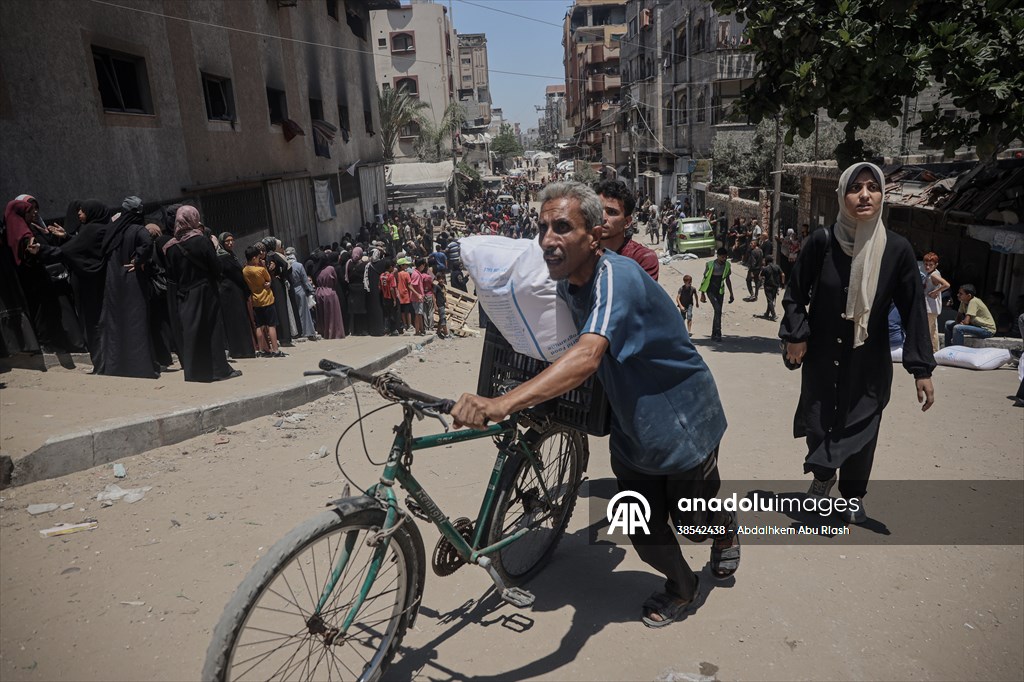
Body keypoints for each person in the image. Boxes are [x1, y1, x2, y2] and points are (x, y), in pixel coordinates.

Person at [451, 182, 738, 628]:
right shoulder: (566, 284)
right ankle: (683, 586)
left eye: (562, 227)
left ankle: (724, 533)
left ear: (596, 235)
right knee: (642, 528)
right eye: (543, 227)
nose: (548, 239)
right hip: (631, 426)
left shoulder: (616, 277)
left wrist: (500, 404)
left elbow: (585, 357)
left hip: (681, 419)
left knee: (693, 517)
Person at [781, 162, 936, 524]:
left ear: (882, 194)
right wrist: (795, 336)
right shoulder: (821, 241)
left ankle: (851, 496)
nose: (864, 194)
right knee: (819, 424)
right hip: (822, 354)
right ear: (842, 196)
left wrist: (921, 369)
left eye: (872, 187)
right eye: (855, 187)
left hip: (869, 359)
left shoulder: (896, 250)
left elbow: (914, 310)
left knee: (863, 428)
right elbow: (795, 293)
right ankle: (822, 479)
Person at [163, 208, 239, 382]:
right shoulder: (201, 241)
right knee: (213, 330)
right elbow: (217, 268)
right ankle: (219, 370)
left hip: (184, 294)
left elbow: (171, 275)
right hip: (206, 292)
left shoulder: (170, 247)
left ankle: (194, 372)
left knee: (191, 332)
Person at [96, 196, 159, 378]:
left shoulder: (113, 229)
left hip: (113, 281)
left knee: (116, 322)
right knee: (136, 322)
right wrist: (139, 260)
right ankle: (139, 367)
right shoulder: (138, 230)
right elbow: (147, 243)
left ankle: (116, 367)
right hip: (132, 280)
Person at [594, 180, 659, 280]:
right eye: (597, 209)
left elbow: (634, 295)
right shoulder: (583, 253)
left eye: (611, 212)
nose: (602, 217)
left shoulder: (642, 258)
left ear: (627, 222)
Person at [215, 233, 257, 358]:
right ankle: (242, 351)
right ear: (222, 242)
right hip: (230, 292)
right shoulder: (223, 257)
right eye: (227, 241)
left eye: (232, 240)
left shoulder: (230, 255)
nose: (230, 243)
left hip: (233, 291)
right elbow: (236, 275)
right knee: (237, 321)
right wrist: (246, 289)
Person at [243, 244, 284, 356]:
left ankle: (261, 350)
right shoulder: (260, 270)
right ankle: (275, 349)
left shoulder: (245, 270)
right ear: (254, 258)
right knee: (271, 325)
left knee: (259, 326)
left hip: (256, 300)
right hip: (267, 299)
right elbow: (268, 279)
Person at [698, 248, 735, 342]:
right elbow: (705, 279)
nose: (724, 259)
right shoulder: (710, 265)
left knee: (718, 311)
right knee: (717, 309)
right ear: (717, 256)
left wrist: (731, 293)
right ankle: (718, 333)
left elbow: (728, 280)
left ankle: (714, 333)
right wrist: (702, 293)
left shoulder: (727, 265)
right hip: (710, 290)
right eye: (722, 257)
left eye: (725, 257)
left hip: (720, 291)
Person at [285, 246, 317, 341]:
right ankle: (306, 331)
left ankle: (296, 332)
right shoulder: (299, 265)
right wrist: (311, 290)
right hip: (300, 289)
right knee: (303, 312)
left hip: (290, 290)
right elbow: (305, 280)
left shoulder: (285, 265)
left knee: (294, 312)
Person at [921, 252, 949, 352]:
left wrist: (935, 292)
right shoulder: (932, 274)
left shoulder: (933, 275)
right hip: (932, 308)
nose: (927, 267)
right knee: (933, 331)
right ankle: (934, 351)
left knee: (927, 331)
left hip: (930, 308)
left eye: (930, 265)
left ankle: (928, 351)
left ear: (936, 265)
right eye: (926, 264)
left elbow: (946, 285)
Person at [313, 253, 346, 339]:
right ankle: (334, 333)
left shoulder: (316, 270)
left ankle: (324, 332)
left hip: (319, 292)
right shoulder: (330, 268)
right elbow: (335, 279)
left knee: (322, 315)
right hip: (330, 292)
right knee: (333, 315)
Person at [759, 256, 784, 321]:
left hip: (768, 286)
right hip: (775, 286)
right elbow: (783, 275)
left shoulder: (765, 268)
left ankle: (773, 315)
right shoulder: (777, 267)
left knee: (770, 301)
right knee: (771, 300)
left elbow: (760, 277)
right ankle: (767, 313)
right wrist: (782, 284)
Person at [395, 257, 414, 332]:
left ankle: (404, 325)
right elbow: (409, 285)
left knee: (402, 312)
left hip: (400, 295)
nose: (407, 266)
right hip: (406, 295)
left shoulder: (397, 274)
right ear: (402, 266)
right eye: (405, 265)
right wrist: (416, 293)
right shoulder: (406, 274)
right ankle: (409, 325)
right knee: (408, 311)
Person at [743, 238, 764, 302]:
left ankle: (752, 294)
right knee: (757, 281)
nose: (750, 244)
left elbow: (753, 263)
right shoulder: (760, 250)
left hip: (753, 269)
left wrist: (751, 271)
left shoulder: (753, 252)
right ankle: (756, 295)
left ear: (755, 244)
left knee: (748, 280)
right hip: (759, 269)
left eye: (751, 243)